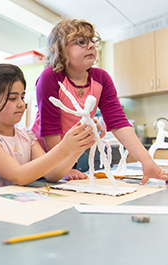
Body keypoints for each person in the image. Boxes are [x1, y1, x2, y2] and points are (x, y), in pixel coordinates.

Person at [30, 18, 168, 185]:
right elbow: (50, 128)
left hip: (70, 152)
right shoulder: (50, 77)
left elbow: (118, 122)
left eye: (92, 40)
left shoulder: (101, 79)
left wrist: (146, 161)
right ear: (60, 49)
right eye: (80, 41)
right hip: (42, 153)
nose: (90, 46)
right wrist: (62, 168)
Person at [0, 63, 96, 190]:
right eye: (12, 98)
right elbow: (20, 176)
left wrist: (78, 147)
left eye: (22, 97)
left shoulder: (26, 136)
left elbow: (53, 174)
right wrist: (64, 147)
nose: (20, 104)